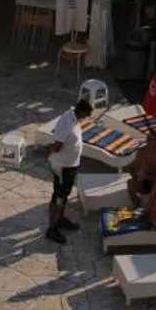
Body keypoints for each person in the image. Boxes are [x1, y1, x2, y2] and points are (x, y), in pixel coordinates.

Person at [42, 98, 95, 244]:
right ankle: (51, 228)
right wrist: (48, 148)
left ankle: (61, 218)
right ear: (82, 111)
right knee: (57, 195)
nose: (87, 118)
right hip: (61, 166)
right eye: (88, 115)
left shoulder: (75, 119)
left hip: (71, 165)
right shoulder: (65, 122)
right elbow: (58, 146)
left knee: (64, 194)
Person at [123, 127, 156, 202]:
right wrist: (135, 175)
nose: (147, 141)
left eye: (150, 139)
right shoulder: (142, 151)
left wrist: (147, 176)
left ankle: (153, 207)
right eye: (147, 138)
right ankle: (137, 207)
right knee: (130, 183)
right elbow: (132, 167)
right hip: (145, 180)